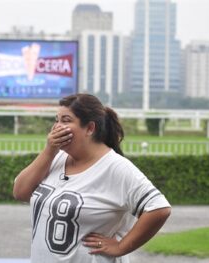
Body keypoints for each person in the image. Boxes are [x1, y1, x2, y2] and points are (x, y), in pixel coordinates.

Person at [13, 93, 171, 263]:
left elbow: (159, 209)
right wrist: (49, 150)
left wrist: (121, 246)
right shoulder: (56, 157)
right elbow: (20, 192)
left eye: (65, 120)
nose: (57, 127)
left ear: (90, 128)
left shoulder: (115, 167)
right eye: (56, 120)